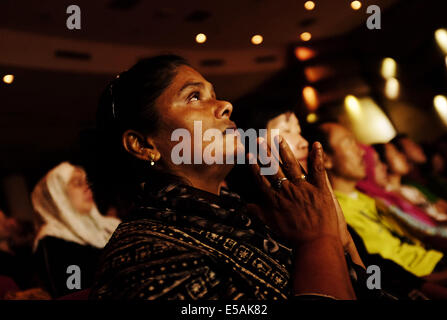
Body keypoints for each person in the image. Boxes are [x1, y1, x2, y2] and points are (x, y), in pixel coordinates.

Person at [82, 55, 370, 300]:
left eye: (214, 93)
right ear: (143, 145)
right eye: (194, 96)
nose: (225, 105)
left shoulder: (254, 215)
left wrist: (340, 240)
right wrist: (318, 240)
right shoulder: (142, 257)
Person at [305, 122, 447, 298]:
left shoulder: (368, 199)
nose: (359, 151)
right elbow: (378, 272)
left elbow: (420, 234)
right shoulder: (335, 212)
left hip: (437, 260)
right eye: (348, 143)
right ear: (324, 158)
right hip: (423, 278)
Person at [31, 162, 120, 298]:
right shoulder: (53, 239)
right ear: (58, 194)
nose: (87, 188)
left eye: (86, 182)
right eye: (78, 183)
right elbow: (73, 290)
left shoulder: (109, 225)